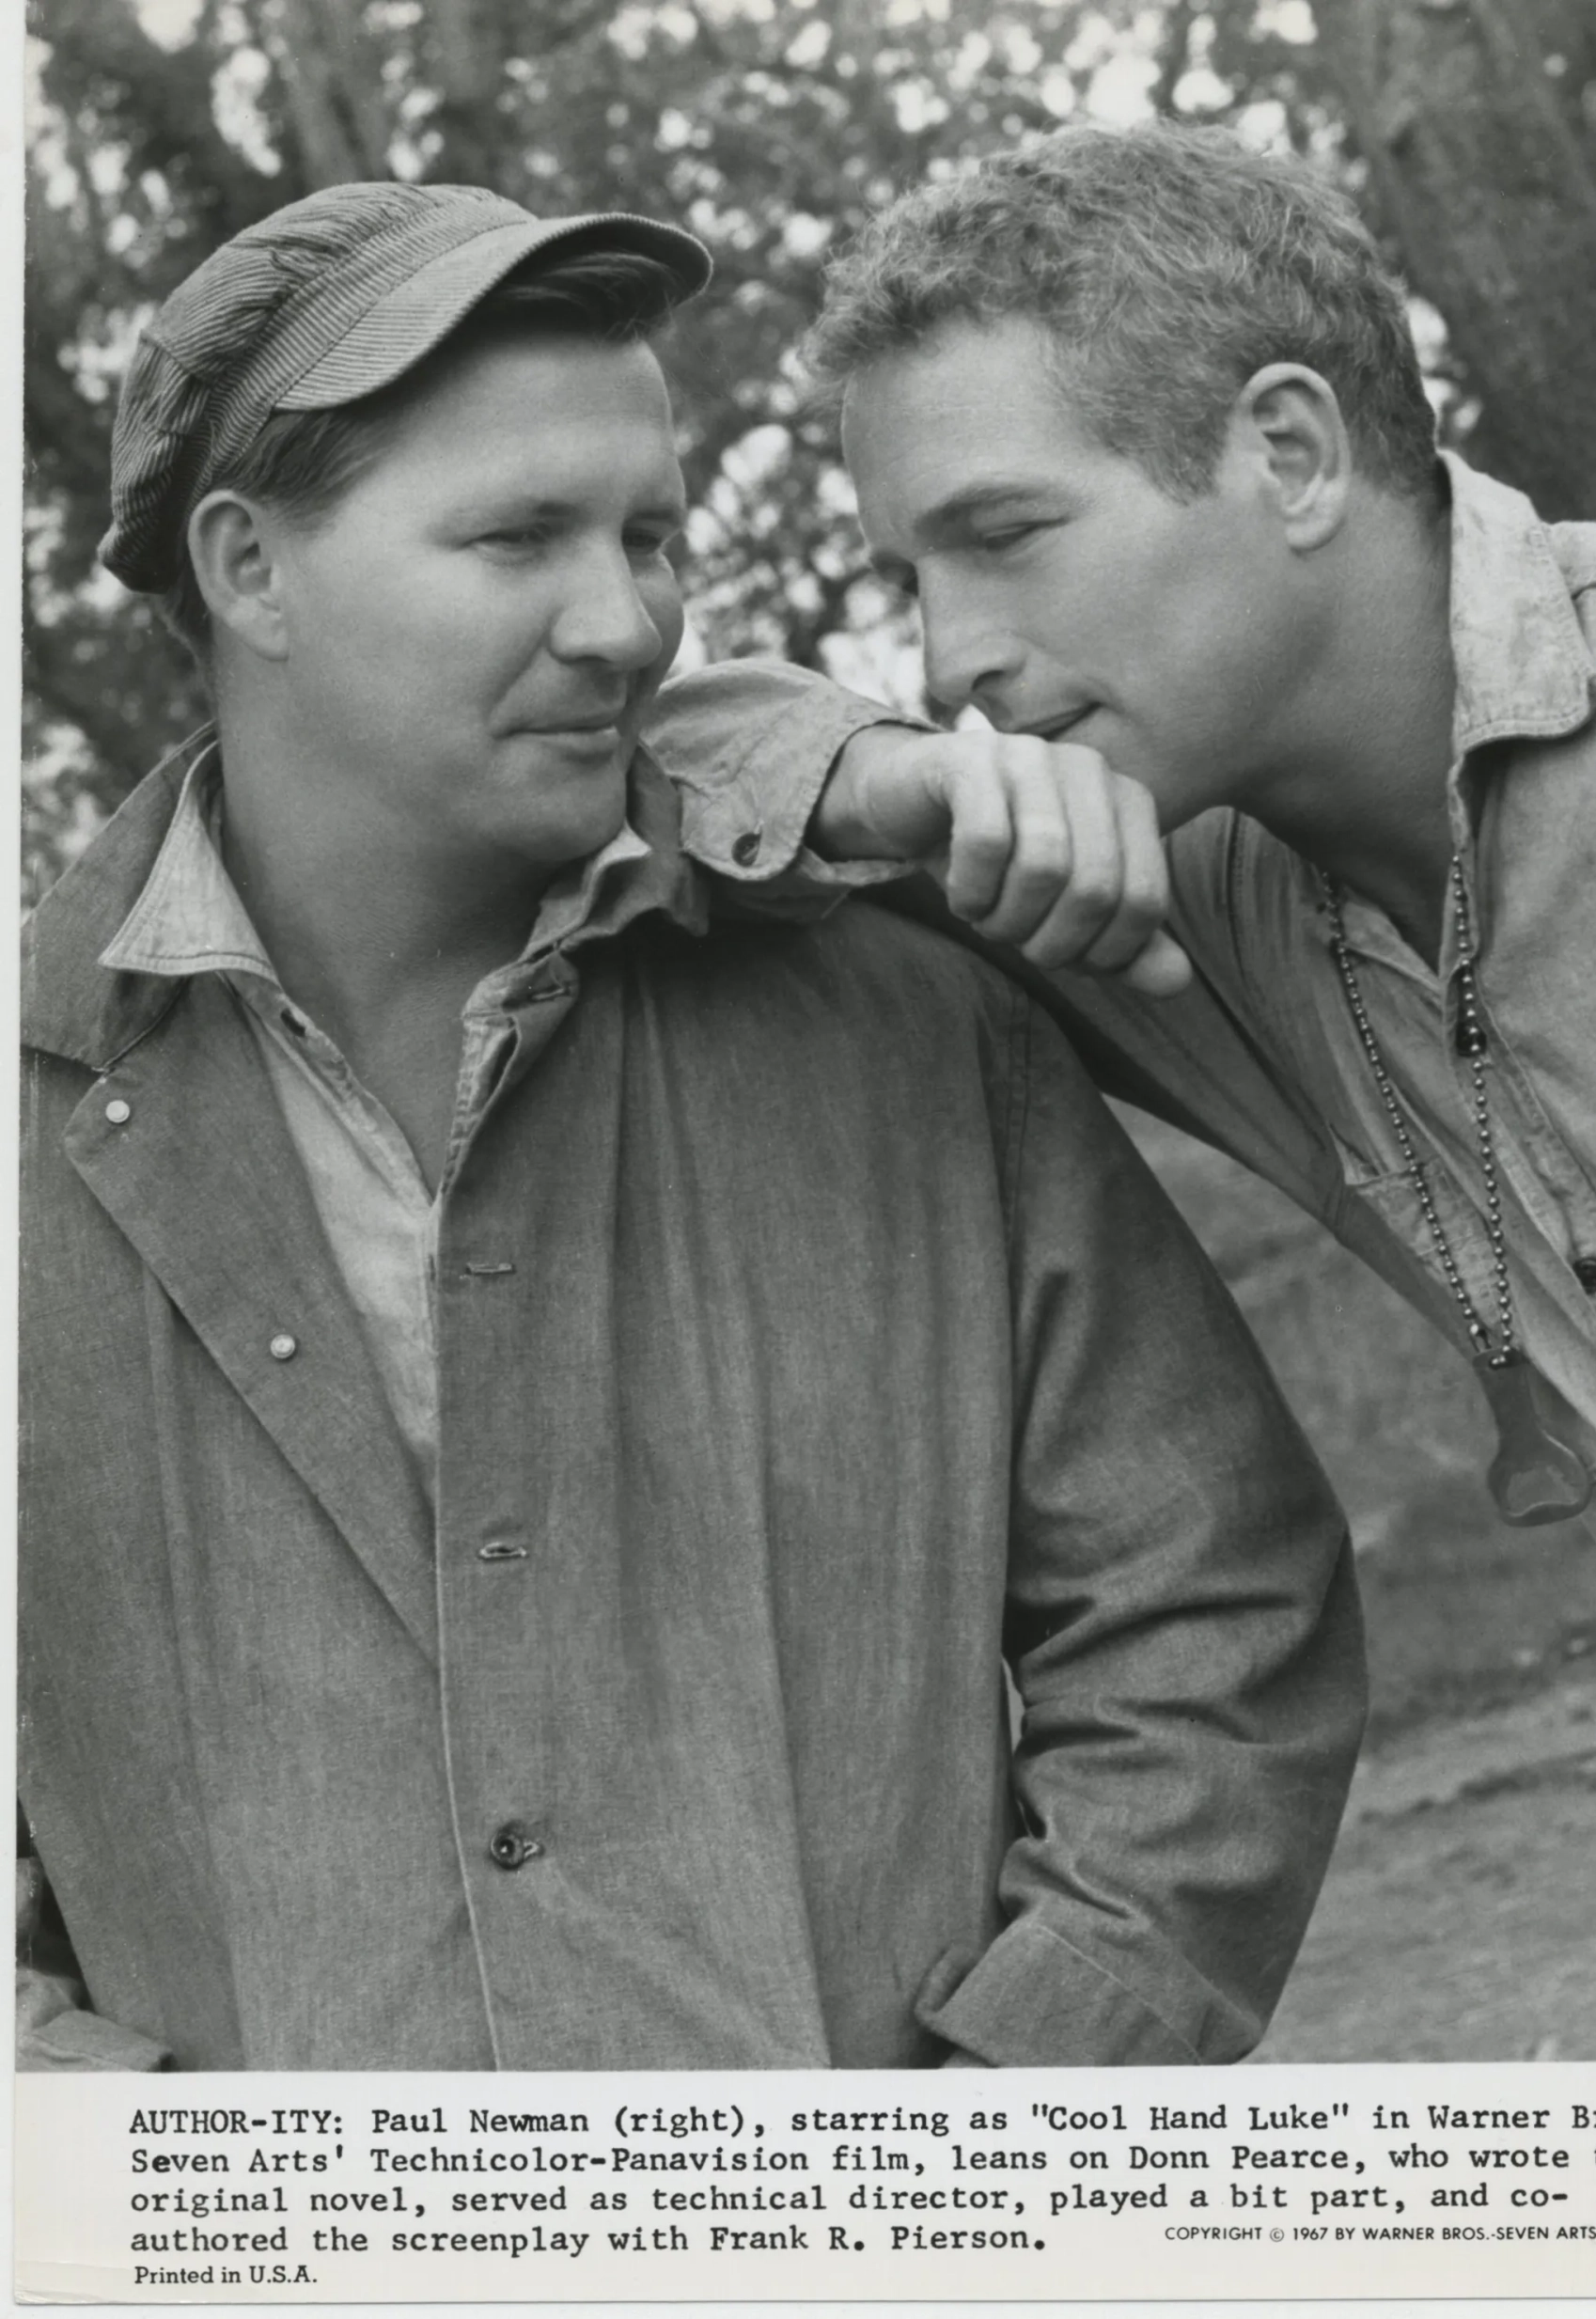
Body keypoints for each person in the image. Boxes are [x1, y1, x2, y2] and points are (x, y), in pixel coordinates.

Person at [18, 180, 1362, 2072]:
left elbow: (1210, 1621)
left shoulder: (909, 1017)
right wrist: (154, 2190)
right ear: (247, 569)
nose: (625, 620)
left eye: (653, 535)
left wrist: (999, 2144)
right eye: (517, 539)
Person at [651, 121, 1596, 1770]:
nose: (953, 650)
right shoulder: (1150, 900)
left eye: (1006, 536)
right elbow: (651, 768)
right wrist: (896, 774)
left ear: (1292, 453)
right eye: (915, 575)